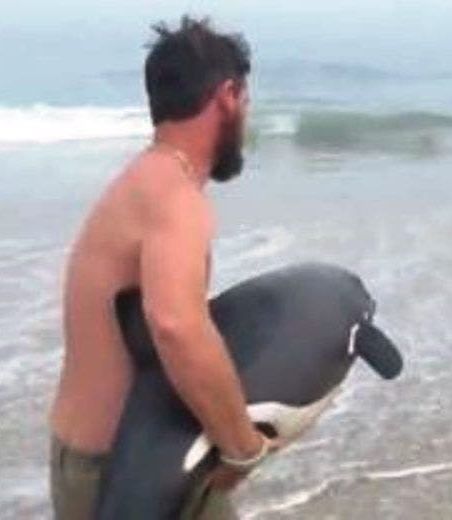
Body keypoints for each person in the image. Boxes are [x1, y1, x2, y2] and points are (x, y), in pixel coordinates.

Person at [48, 16, 272, 520]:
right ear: (228, 95)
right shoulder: (175, 198)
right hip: (130, 470)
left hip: (96, 459)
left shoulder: (142, 180)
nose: (247, 116)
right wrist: (241, 444)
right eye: (247, 102)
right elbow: (175, 325)